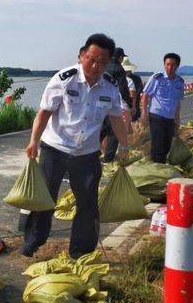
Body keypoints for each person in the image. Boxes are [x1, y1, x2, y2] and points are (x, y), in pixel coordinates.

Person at [23, 33, 130, 258]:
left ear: (109, 62)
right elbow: (44, 113)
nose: (95, 65)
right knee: (44, 200)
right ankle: (33, 243)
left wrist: (125, 146)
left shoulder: (110, 87)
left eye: (101, 61)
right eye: (91, 58)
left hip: (87, 154)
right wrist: (34, 141)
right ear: (82, 55)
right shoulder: (64, 79)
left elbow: (116, 118)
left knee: (88, 205)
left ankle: (80, 252)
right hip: (55, 149)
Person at [140, 53, 186, 163]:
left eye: (173, 65)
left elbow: (177, 102)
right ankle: (157, 168)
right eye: (168, 64)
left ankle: (160, 165)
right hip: (157, 116)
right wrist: (144, 113)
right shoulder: (157, 78)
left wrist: (177, 119)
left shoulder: (180, 82)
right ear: (164, 65)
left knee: (167, 145)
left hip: (170, 118)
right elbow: (146, 95)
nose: (170, 67)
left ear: (177, 66)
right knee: (158, 145)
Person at [99, 47, 133, 161]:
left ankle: (91, 153)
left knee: (99, 130)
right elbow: (123, 89)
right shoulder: (119, 69)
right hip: (111, 104)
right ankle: (108, 158)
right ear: (120, 58)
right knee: (113, 131)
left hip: (98, 104)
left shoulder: (103, 66)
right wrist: (129, 103)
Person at [121, 55, 144, 123]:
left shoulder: (122, 79)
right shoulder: (137, 78)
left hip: (128, 106)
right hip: (135, 106)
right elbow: (139, 91)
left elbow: (133, 94)